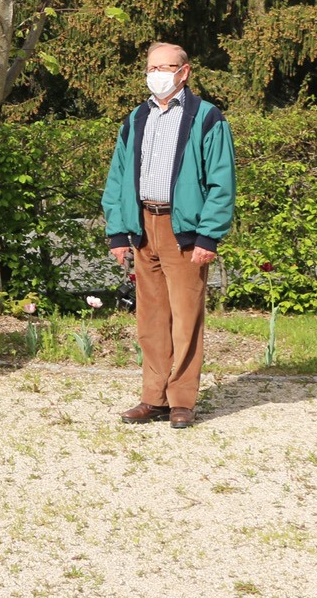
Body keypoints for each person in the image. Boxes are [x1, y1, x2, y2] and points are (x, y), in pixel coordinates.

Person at [100, 41, 234, 429]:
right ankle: (153, 397)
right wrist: (118, 232)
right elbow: (117, 177)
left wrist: (208, 236)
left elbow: (221, 183)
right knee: (151, 320)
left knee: (186, 318)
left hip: (184, 232)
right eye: (152, 67)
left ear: (184, 71)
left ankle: (182, 401)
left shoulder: (206, 118)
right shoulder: (136, 118)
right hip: (143, 227)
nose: (157, 74)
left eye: (166, 67)